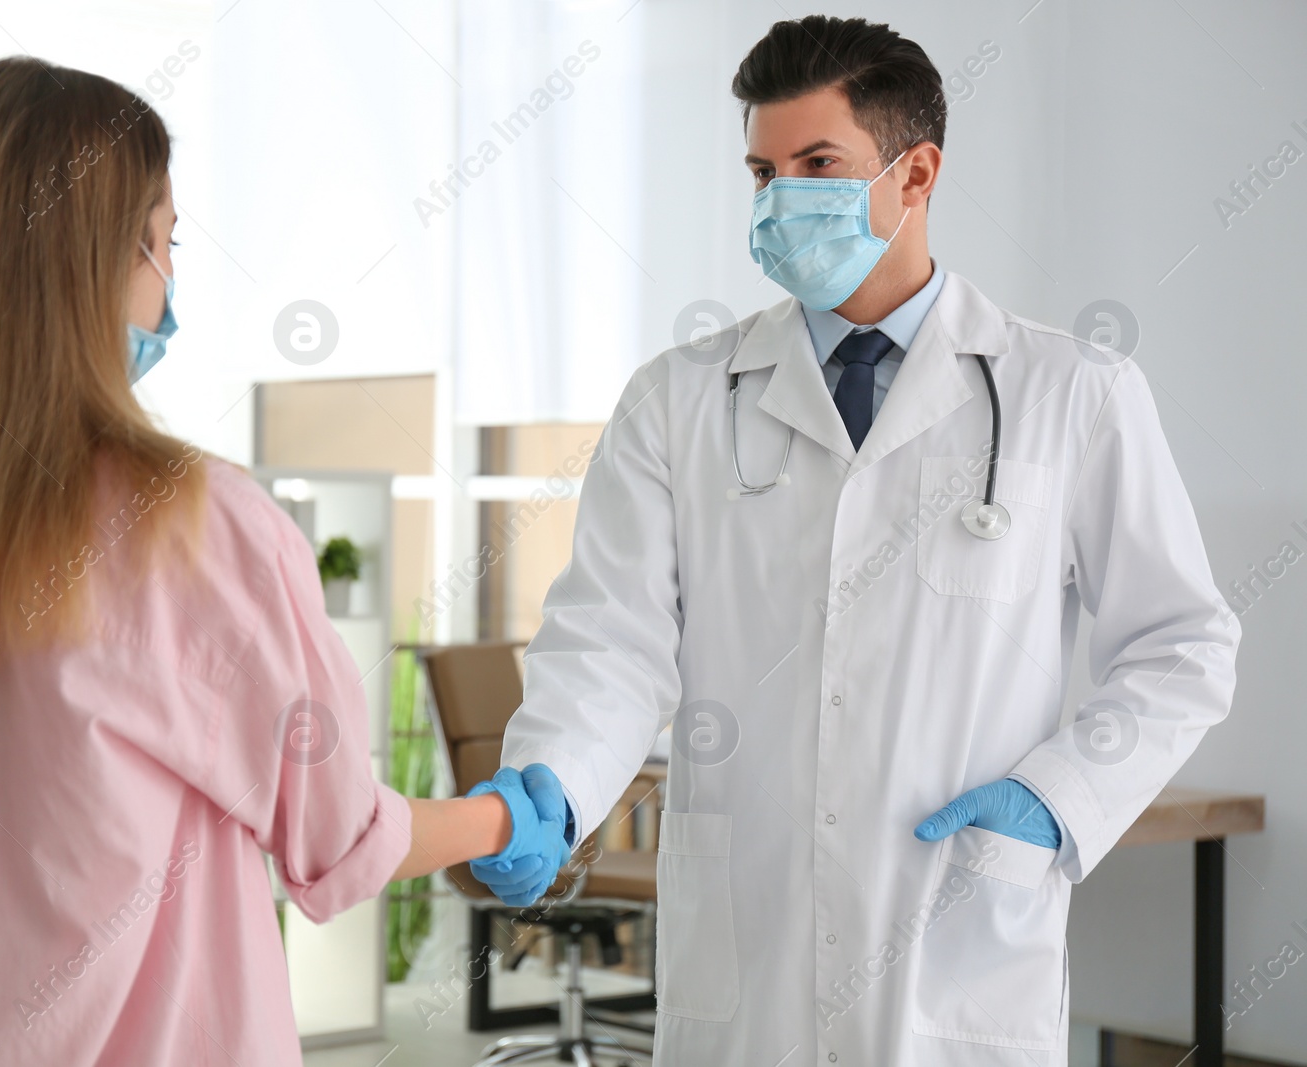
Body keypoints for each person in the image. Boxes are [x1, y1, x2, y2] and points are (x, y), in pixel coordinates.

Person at [0, 57, 565, 1067]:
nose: (168, 285)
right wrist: (500, 816)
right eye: (163, 245)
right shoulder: (194, 527)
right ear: (105, 259)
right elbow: (335, 834)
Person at [468, 15, 1240, 1066]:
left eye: (816, 163)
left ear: (914, 172)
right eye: (761, 170)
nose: (780, 197)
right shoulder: (679, 400)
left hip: (958, 936)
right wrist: (553, 775)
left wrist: (1055, 801)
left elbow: (1183, 644)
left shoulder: (1070, 393)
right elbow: (612, 641)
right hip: (748, 949)